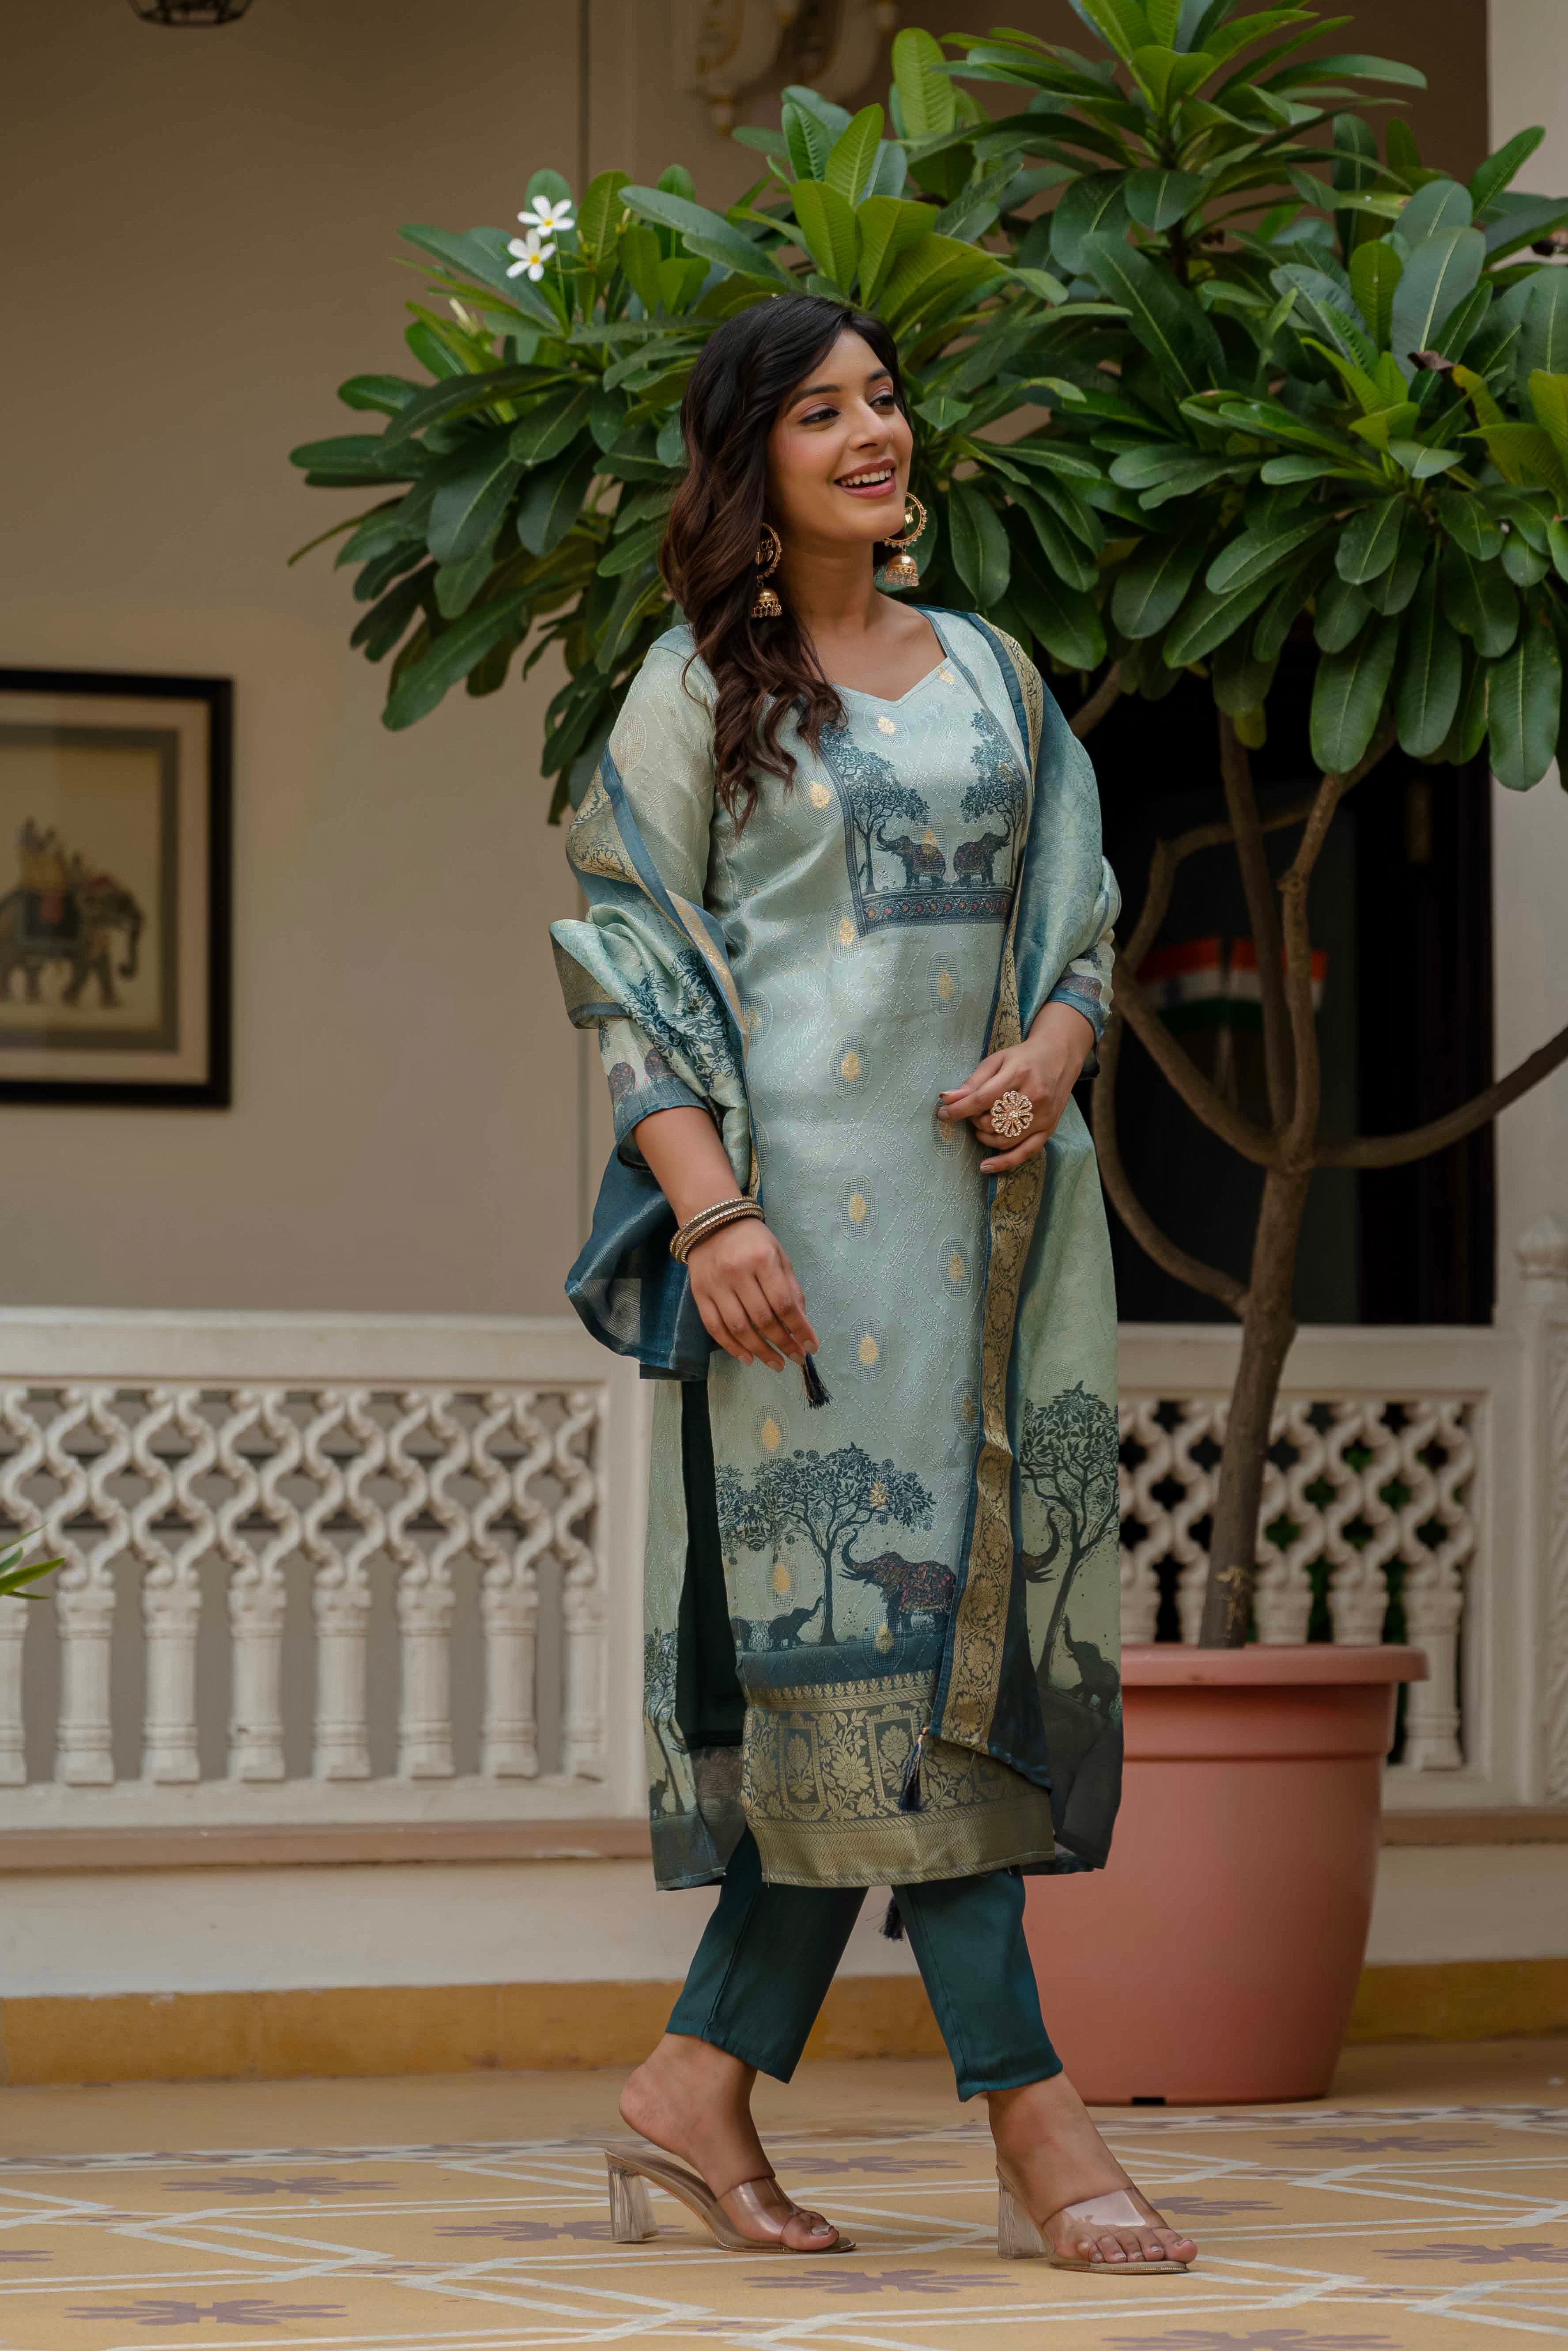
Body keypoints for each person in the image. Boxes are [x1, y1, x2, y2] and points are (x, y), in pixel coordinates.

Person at [551, 293, 1196, 2275]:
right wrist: (712, 1216)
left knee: (923, 1677)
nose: (873, 433)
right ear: (749, 458)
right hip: (796, 1269)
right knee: (868, 1654)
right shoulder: (689, 693)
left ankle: (691, 2087)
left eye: (886, 398)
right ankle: (1033, 2112)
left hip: (991, 1240)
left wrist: (1055, 1051)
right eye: (822, 410)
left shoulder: (995, 675)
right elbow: (626, 967)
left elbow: (1074, 916)